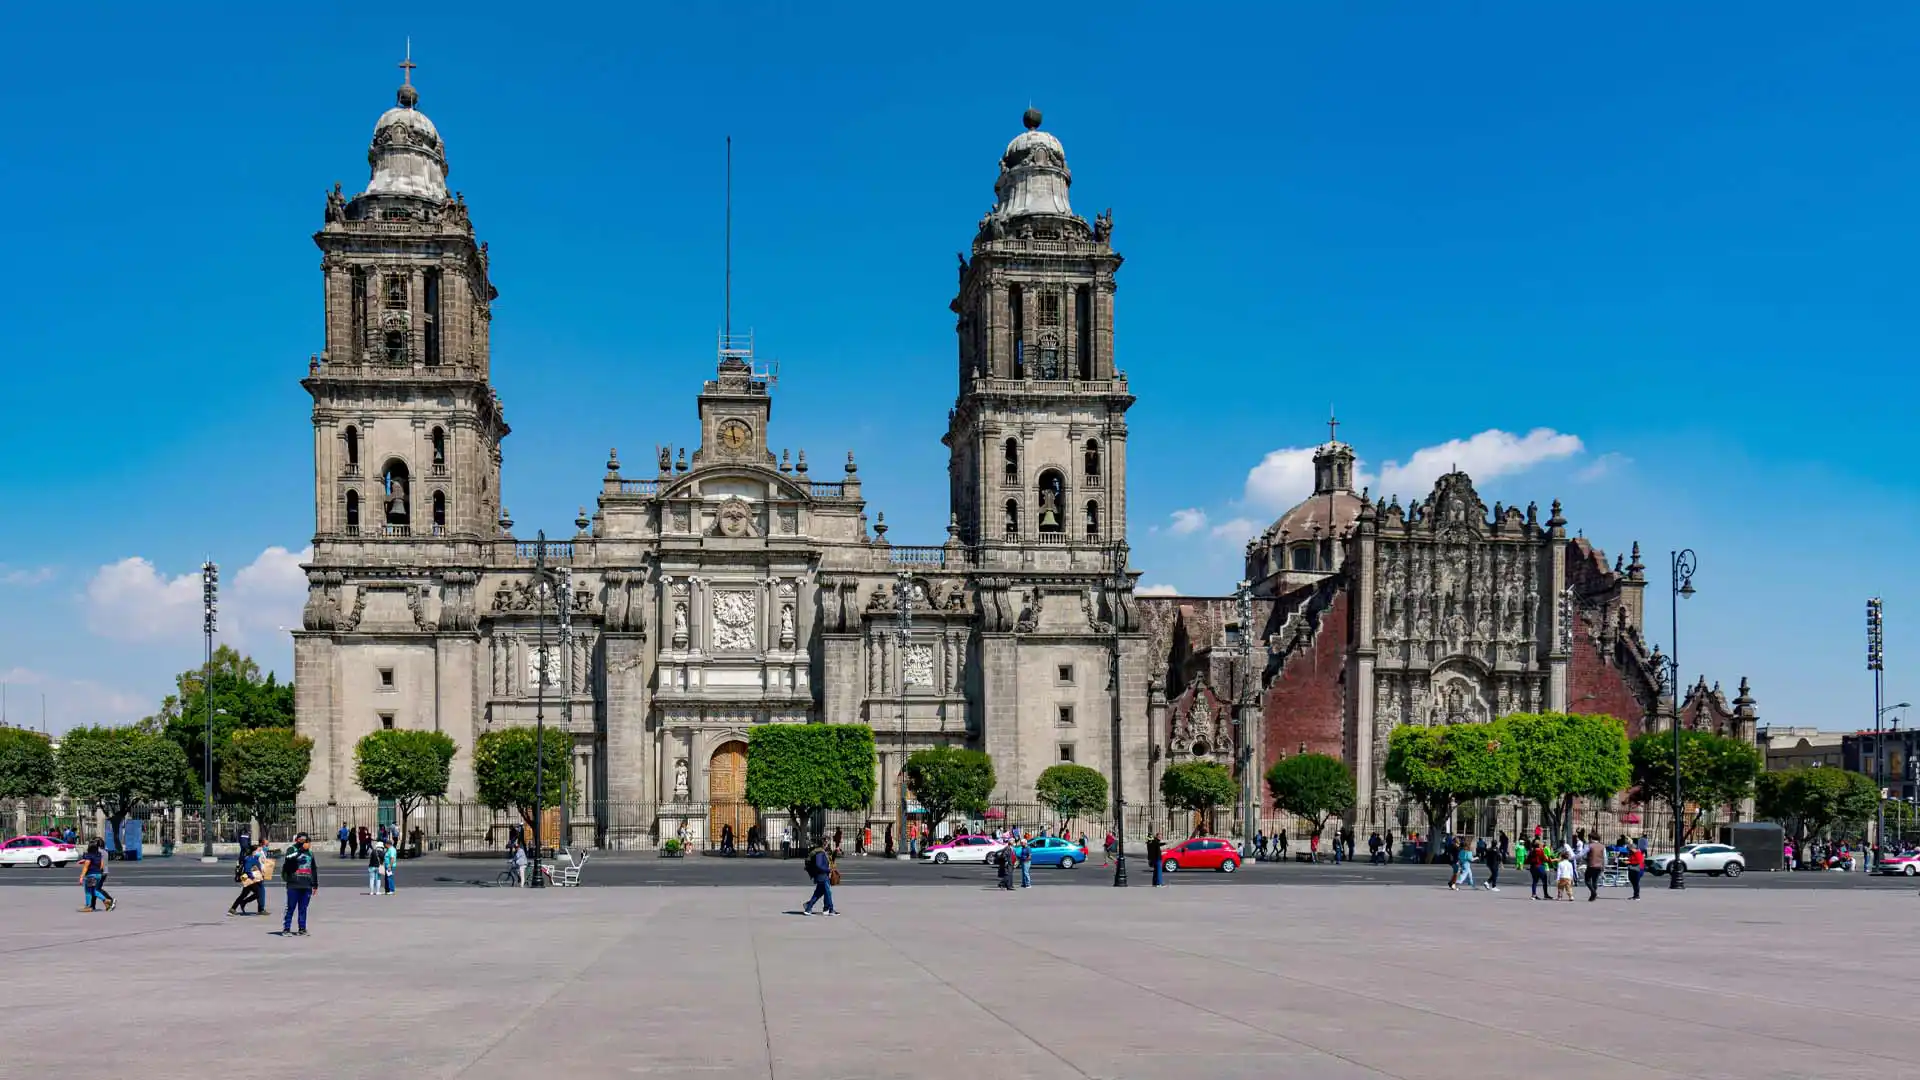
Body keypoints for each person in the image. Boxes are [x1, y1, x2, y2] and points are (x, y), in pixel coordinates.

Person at [281, 833, 319, 935]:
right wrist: (301, 850)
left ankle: (302, 928)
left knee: (303, 908)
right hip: (294, 883)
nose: (306, 843)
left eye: (307, 841)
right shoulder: (292, 850)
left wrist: (315, 884)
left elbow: (313, 869)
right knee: (291, 907)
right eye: (302, 840)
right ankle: (286, 928)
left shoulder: (310, 853)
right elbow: (288, 859)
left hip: (306, 884)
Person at [801, 841, 837, 916]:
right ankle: (831, 909)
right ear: (824, 844)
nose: (828, 845)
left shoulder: (823, 852)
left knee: (818, 893)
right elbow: (819, 865)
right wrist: (828, 870)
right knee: (828, 892)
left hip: (824, 875)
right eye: (827, 843)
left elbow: (830, 860)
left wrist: (835, 852)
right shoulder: (820, 853)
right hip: (822, 875)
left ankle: (808, 907)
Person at [229, 842, 265, 916]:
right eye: (258, 850)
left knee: (244, 894)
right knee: (258, 893)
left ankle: (233, 909)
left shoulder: (255, 858)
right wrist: (253, 878)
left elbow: (256, 868)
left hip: (250, 878)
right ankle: (243, 903)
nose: (260, 852)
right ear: (254, 851)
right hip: (248, 878)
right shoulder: (249, 859)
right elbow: (247, 870)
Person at [78, 840, 111, 912]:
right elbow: (101, 865)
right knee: (94, 890)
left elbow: (86, 867)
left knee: (88, 891)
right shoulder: (99, 855)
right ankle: (106, 900)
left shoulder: (89, 855)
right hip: (98, 874)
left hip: (91, 875)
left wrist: (81, 876)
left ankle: (88, 906)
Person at [1584, 836, 1607, 901]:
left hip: (1591, 865)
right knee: (1595, 880)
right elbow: (1605, 857)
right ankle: (1592, 896)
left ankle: (1593, 893)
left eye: (1589, 839)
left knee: (1587, 880)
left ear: (1591, 838)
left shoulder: (1590, 846)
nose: (1589, 840)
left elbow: (1583, 854)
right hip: (1599, 866)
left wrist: (1574, 857)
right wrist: (1604, 867)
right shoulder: (1602, 846)